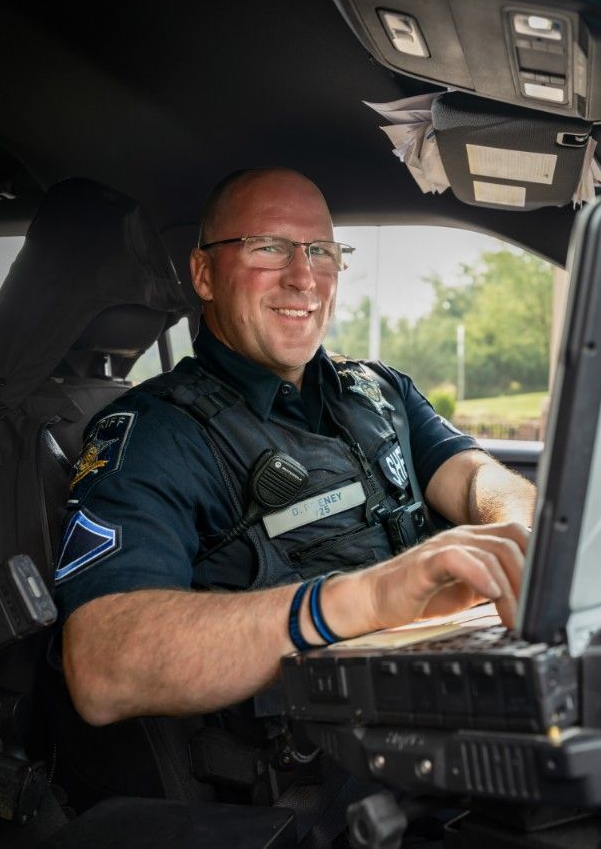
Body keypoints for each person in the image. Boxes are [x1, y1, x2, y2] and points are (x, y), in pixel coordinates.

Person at [54, 167, 535, 728]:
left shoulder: (380, 389)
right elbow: (102, 666)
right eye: (269, 248)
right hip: (329, 773)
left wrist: (519, 532)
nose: (304, 278)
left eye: (322, 252)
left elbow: (476, 477)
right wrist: (368, 599)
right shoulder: (155, 433)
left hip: (462, 701)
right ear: (204, 274)